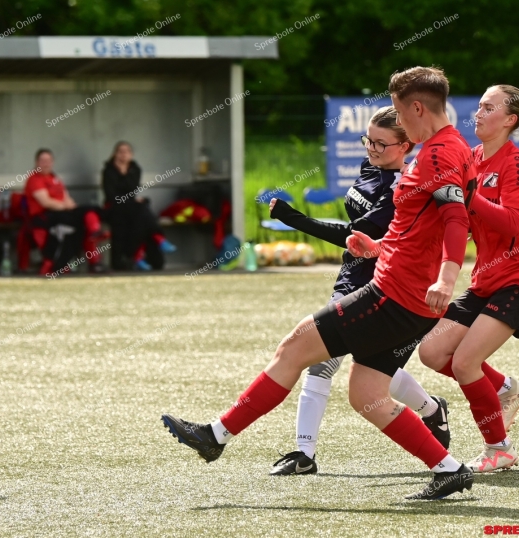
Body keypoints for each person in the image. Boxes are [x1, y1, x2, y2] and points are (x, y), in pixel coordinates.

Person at [162, 66, 478, 500]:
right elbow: (423, 227)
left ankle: (216, 436)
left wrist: (446, 276)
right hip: (409, 295)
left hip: (394, 296)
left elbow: (457, 218)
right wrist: (382, 245)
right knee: (366, 393)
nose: (399, 125)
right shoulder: (455, 148)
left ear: (417, 108)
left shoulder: (437, 154)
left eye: (401, 117)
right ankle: (449, 468)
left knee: (294, 348)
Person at [266, 106, 451, 476]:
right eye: (368, 140)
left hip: (380, 284)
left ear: (405, 145)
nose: (372, 149)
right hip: (351, 276)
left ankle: (304, 453)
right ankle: (430, 409)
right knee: (362, 364)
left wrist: (293, 219)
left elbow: (352, 236)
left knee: (335, 362)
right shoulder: (372, 169)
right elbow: (353, 228)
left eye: (381, 144)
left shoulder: (400, 186)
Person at [418, 85, 519, 473]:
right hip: (485, 282)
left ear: (510, 120)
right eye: (478, 106)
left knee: (464, 363)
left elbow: (510, 222)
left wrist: (470, 197)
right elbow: (460, 222)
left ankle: (499, 449)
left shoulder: (517, 163)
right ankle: (507, 389)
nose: (477, 113)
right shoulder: (472, 158)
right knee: (432, 352)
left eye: (488, 107)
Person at [24, 148, 106, 275]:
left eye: (48, 160)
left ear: (53, 162)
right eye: (42, 161)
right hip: (46, 216)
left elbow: (67, 198)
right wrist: (65, 206)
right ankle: (63, 262)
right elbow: (46, 202)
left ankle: (95, 235)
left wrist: (69, 205)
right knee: (77, 222)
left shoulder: (54, 178)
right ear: (36, 163)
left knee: (91, 210)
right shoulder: (34, 179)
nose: (46, 163)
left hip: (61, 212)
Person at [102, 141, 175, 271]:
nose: (124, 155)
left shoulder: (135, 169)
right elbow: (111, 194)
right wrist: (120, 171)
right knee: (141, 210)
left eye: (127, 152)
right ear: (115, 154)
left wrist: (126, 173)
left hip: (130, 207)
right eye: (120, 152)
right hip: (114, 207)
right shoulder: (108, 171)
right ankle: (159, 238)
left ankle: (133, 256)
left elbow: (132, 189)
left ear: (132, 155)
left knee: (141, 214)